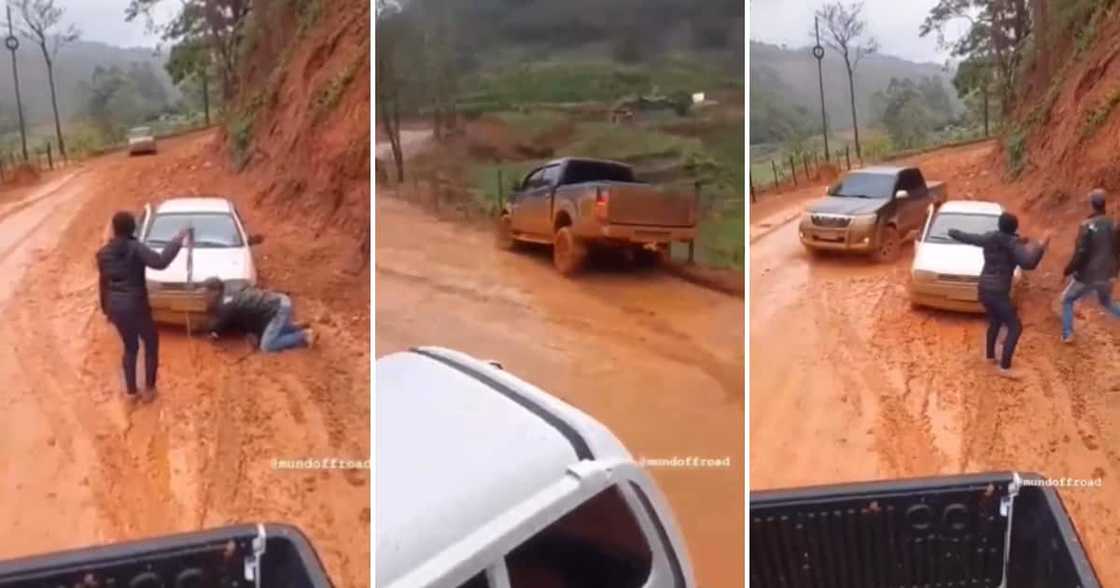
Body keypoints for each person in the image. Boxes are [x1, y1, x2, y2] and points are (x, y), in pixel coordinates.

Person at [97, 211, 189, 401]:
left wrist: (106, 310)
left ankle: (131, 392)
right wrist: (178, 240)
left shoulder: (103, 254)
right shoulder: (136, 248)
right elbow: (161, 262)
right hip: (137, 306)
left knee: (130, 347)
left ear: (114, 229)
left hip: (116, 307)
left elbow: (103, 283)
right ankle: (149, 389)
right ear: (133, 228)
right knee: (151, 342)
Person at [948, 212, 1051, 379]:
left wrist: (953, 232)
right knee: (1015, 327)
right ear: (1014, 228)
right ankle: (1005, 367)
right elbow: (1029, 263)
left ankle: (989, 357)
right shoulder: (1013, 244)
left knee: (995, 321)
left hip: (983, 289)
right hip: (998, 292)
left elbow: (970, 238)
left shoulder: (990, 238)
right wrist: (1042, 245)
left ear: (999, 225)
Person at [1059, 189, 1120, 343]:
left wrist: (1068, 270)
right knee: (1106, 302)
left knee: (1067, 300)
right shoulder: (1114, 224)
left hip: (1088, 275)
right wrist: (1114, 273)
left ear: (1091, 205)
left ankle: (1067, 334)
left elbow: (1080, 253)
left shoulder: (1086, 225)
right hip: (1108, 275)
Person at [201, 278, 316, 352]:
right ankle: (293, 327)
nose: (204, 297)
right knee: (270, 331)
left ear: (215, 292)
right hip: (278, 301)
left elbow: (217, 326)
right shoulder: (229, 285)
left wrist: (211, 332)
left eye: (206, 293)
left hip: (277, 309)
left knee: (267, 346)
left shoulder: (226, 305)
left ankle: (303, 335)